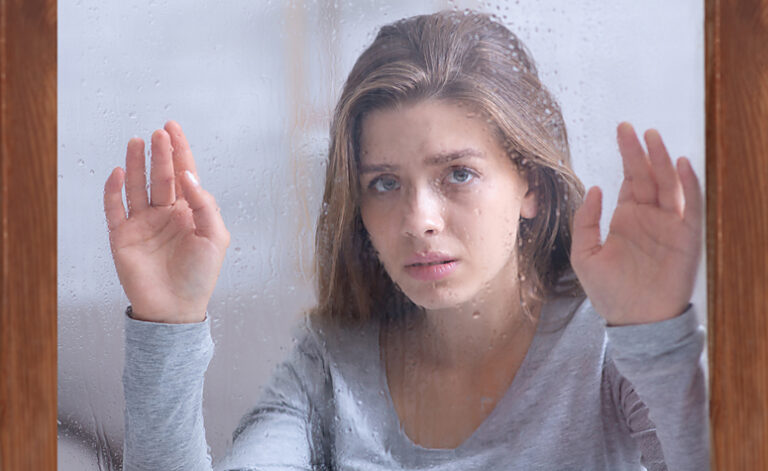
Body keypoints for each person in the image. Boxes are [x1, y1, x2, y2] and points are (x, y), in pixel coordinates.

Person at [103, 10, 708, 470]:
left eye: (459, 175)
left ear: (535, 190)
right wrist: (170, 324)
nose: (419, 219)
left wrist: (656, 335)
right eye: (385, 183)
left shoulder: (601, 353)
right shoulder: (330, 367)